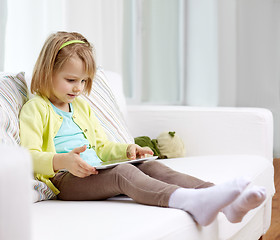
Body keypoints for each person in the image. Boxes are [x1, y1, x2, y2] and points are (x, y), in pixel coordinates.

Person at [19, 31, 266, 226]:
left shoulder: (81, 108)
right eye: (71, 80)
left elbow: (102, 148)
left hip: (95, 171)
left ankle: (225, 200)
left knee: (150, 166)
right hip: (67, 181)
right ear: (47, 71)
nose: (78, 88)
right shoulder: (36, 109)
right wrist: (63, 161)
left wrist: (126, 151)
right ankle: (190, 202)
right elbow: (26, 157)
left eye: (84, 81)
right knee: (123, 174)